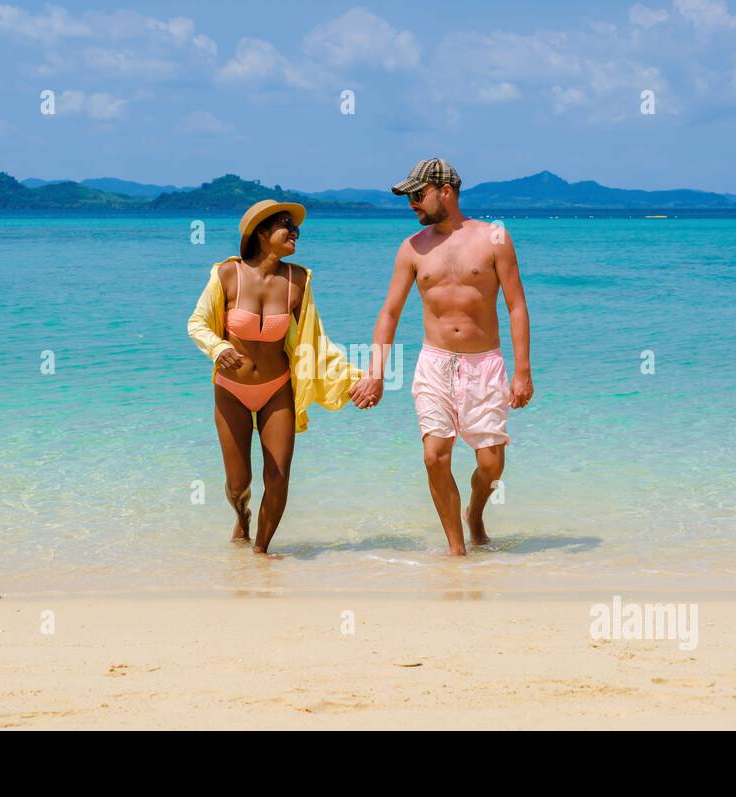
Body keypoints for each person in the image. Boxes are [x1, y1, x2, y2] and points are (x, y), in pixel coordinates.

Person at [351, 158, 533, 556]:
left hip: (484, 364)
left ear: (445, 191)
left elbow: (516, 306)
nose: (412, 204)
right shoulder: (412, 248)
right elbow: (390, 313)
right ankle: (457, 551)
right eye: (409, 197)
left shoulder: (495, 237)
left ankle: (475, 514)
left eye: (418, 195)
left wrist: (522, 372)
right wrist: (375, 374)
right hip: (435, 363)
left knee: (490, 465)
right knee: (435, 456)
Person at [188, 199, 363, 554]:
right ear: (262, 233)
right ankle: (242, 516)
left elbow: (315, 340)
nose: (295, 233)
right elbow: (197, 323)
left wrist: (354, 378)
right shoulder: (226, 274)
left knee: (278, 476)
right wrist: (218, 348)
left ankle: (261, 553)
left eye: (297, 228)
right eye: (287, 226)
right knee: (239, 483)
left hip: (277, 389)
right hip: (232, 390)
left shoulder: (298, 280)